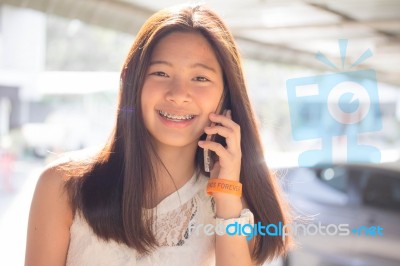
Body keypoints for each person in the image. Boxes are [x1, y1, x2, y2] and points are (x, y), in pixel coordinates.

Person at [25, 4, 291, 266]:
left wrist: (226, 195)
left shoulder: (236, 202)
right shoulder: (62, 187)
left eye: (200, 78)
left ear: (226, 95)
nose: (177, 94)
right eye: (161, 73)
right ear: (132, 81)